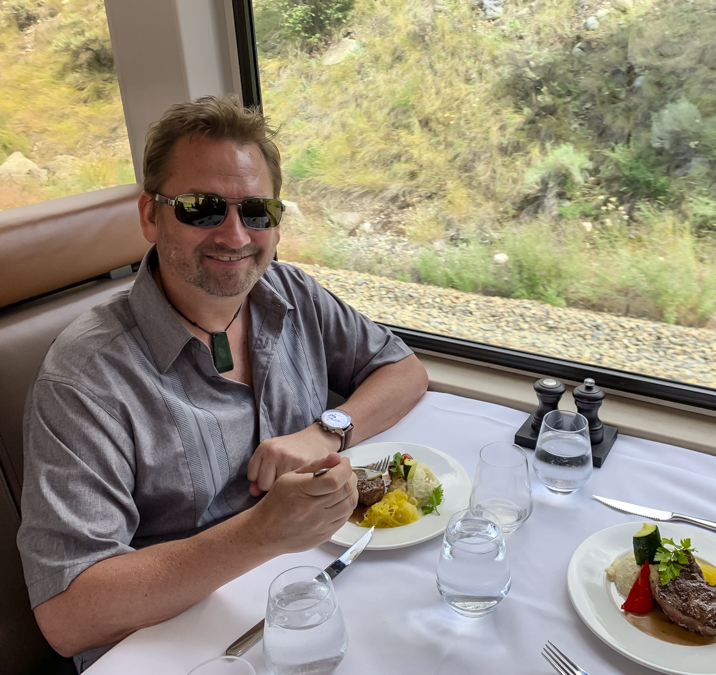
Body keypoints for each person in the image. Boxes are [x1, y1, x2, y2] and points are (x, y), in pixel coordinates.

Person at [16, 95, 429, 671]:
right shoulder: (85, 380)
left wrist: (328, 430)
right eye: (201, 207)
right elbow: (68, 616)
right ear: (149, 215)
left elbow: (405, 370)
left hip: (302, 593)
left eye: (257, 211)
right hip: (175, 647)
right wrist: (260, 534)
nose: (235, 234)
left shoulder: (292, 295)